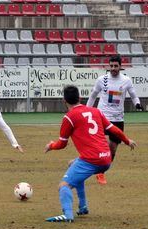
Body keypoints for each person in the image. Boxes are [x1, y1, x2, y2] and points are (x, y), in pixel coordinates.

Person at [44, 85, 137, 222]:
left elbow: (62, 144)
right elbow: (114, 129)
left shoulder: (69, 118)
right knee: (73, 164)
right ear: (80, 98)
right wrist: (127, 141)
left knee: (64, 186)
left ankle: (67, 215)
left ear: (64, 101)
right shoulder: (95, 111)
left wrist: (51, 146)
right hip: (106, 159)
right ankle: (83, 206)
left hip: (91, 160)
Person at [87, 55, 143, 185]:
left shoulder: (126, 80)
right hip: (102, 116)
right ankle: (95, 171)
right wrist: (87, 110)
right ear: (108, 66)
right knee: (99, 146)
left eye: (115, 66)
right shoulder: (102, 80)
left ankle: (101, 172)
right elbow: (93, 95)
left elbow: (133, 95)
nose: (113, 68)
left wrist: (137, 104)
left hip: (118, 118)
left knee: (112, 149)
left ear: (120, 66)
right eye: (111, 66)